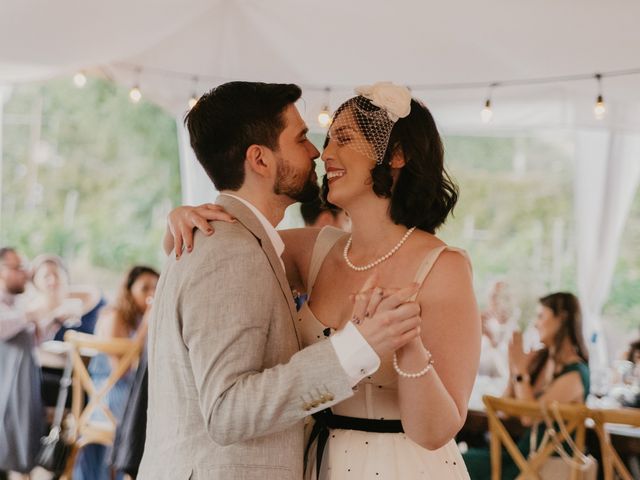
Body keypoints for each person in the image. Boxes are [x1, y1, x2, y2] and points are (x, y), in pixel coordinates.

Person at [167, 82, 480, 479]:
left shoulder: (444, 267)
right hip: (316, 464)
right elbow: (232, 247)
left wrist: (408, 347)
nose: (325, 153)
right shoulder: (313, 250)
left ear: (396, 155)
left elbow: (436, 432)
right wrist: (181, 217)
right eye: (327, 139)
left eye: (344, 138)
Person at [462, 292, 590, 479]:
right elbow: (505, 409)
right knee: (460, 460)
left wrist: (521, 371)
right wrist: (515, 370)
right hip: (522, 456)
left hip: (544, 465)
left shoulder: (576, 373)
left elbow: (530, 417)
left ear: (562, 318)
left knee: (463, 465)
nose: (536, 324)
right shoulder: (541, 360)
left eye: (541, 316)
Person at [73, 266, 158, 480]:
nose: (152, 293)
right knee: (146, 414)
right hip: (106, 397)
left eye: (156, 287)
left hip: (126, 392)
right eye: (145, 288)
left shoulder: (137, 319)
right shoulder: (114, 315)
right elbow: (122, 371)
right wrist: (147, 325)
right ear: (129, 291)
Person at [0, 248, 49, 476]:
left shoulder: (20, 302)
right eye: (18, 267)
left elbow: (35, 342)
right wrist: (31, 315)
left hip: (22, 386)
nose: (25, 272)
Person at [29, 254, 105, 341]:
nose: (53, 281)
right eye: (46, 276)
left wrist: (78, 310)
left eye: (56, 275)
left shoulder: (83, 297)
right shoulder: (33, 311)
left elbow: (95, 294)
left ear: (66, 276)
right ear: (35, 281)